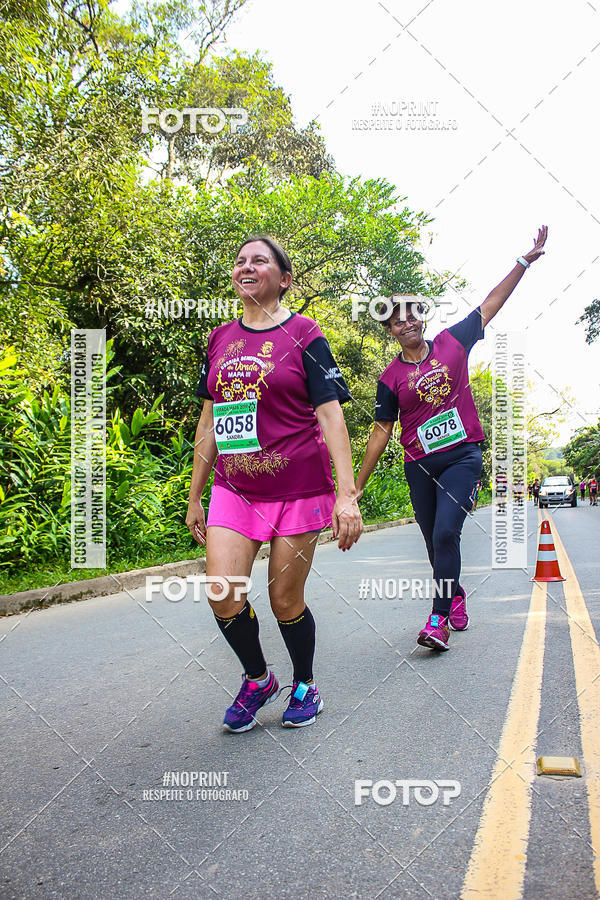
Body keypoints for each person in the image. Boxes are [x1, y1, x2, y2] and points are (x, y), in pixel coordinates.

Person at [186, 235, 362, 732]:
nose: (246, 266)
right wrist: (195, 495)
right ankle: (258, 678)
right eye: (239, 260)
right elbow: (209, 423)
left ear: (282, 278)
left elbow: (331, 418)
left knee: (285, 599)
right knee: (223, 590)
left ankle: (304, 682)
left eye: (258, 260)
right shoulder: (220, 339)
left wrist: (346, 496)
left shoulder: (306, 334)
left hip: (299, 488)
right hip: (234, 488)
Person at [356, 225, 548, 651]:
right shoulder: (390, 378)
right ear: (390, 330)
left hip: (462, 458)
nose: (406, 322)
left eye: (411, 314)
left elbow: (490, 304)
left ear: (422, 318)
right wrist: (355, 487)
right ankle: (455, 594)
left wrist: (523, 262)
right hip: (419, 466)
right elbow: (381, 432)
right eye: (396, 319)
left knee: (445, 533)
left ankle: (438, 618)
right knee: (433, 541)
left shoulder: (453, 343)